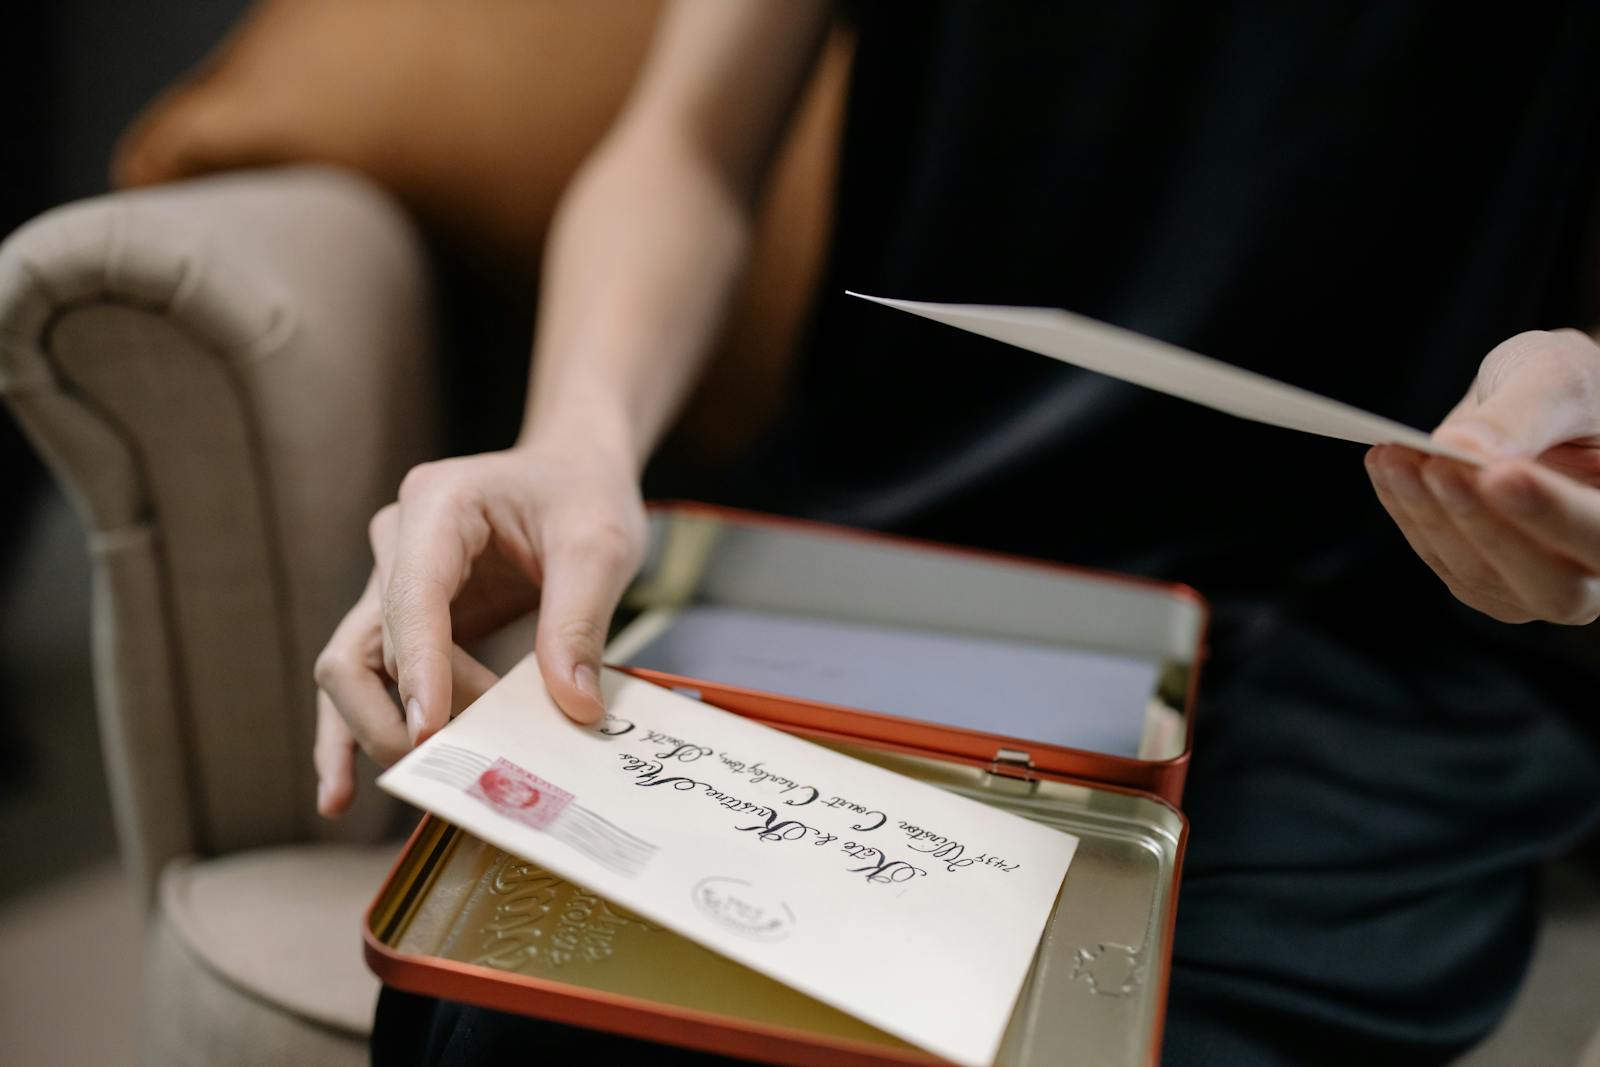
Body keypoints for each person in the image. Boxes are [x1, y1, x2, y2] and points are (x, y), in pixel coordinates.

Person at [313, 3, 1600, 1064]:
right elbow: (689, 142)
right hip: (874, 581)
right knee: (521, 1018)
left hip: (1372, 645)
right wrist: (576, 440)